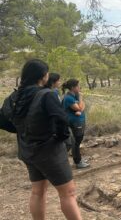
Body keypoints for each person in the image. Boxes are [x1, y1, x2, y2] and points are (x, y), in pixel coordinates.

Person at [12, 59, 82, 220]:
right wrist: (61, 139)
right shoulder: (47, 94)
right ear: (43, 76)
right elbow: (62, 121)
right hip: (49, 151)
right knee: (68, 193)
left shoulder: (15, 96)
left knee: (38, 191)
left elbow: (4, 120)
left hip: (28, 150)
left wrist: (24, 132)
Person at [62, 79, 89, 169]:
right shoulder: (69, 98)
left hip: (79, 121)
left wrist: (80, 108)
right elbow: (79, 108)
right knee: (76, 142)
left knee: (77, 141)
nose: (79, 87)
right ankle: (78, 162)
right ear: (73, 87)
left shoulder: (74, 95)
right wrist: (80, 103)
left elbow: (82, 106)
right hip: (75, 122)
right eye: (78, 86)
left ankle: (78, 160)